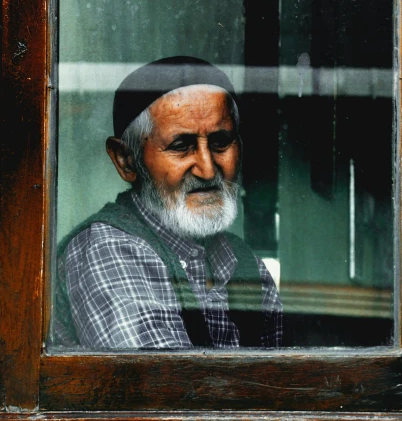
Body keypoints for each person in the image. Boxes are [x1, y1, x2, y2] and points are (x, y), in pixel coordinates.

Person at [52, 56, 283, 349]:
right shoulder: (107, 248)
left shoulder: (246, 264)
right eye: (181, 146)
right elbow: (161, 389)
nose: (208, 169)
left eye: (220, 142)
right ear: (126, 160)